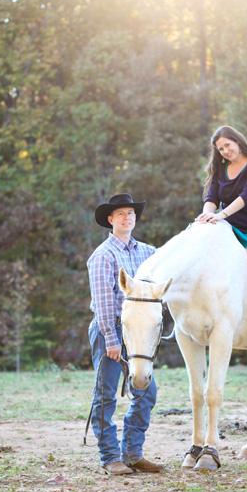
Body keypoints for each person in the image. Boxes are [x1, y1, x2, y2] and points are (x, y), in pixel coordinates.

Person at [87, 193, 164, 475]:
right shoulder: (103, 256)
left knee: (146, 390)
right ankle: (110, 457)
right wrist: (111, 339)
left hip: (138, 330)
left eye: (130, 213)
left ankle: (132, 452)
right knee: (106, 395)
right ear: (110, 220)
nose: (127, 217)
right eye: (120, 214)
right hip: (111, 328)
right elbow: (105, 300)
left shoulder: (149, 252)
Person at [195, 125, 247, 344]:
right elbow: (211, 197)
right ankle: (185, 320)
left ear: (237, 141)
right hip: (226, 225)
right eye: (220, 149)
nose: (225, 151)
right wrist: (205, 217)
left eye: (227, 145)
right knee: (197, 250)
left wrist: (222, 215)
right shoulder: (220, 168)